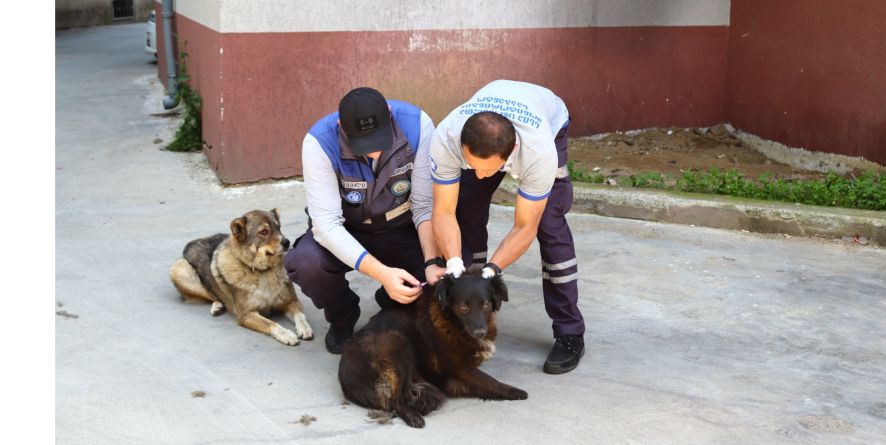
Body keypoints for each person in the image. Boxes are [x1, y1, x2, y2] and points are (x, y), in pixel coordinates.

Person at [412, 79, 585, 374]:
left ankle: (570, 331)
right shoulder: (447, 137)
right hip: (488, 127)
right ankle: (470, 303)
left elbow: (524, 227)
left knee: (549, 223)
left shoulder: (539, 152)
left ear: (511, 153)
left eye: (488, 169)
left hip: (549, 119)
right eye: (472, 164)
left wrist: (493, 270)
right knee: (467, 206)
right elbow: (444, 210)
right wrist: (455, 263)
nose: (479, 175)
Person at [284, 87, 446, 354]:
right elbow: (326, 225)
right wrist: (381, 272)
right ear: (341, 126)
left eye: (379, 141)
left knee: (443, 273)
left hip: (401, 227)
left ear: (390, 116)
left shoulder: (418, 125)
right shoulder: (318, 142)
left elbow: (424, 204)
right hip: (348, 228)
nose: (373, 153)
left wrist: (431, 261)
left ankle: (394, 297)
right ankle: (343, 314)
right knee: (306, 264)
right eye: (364, 144)